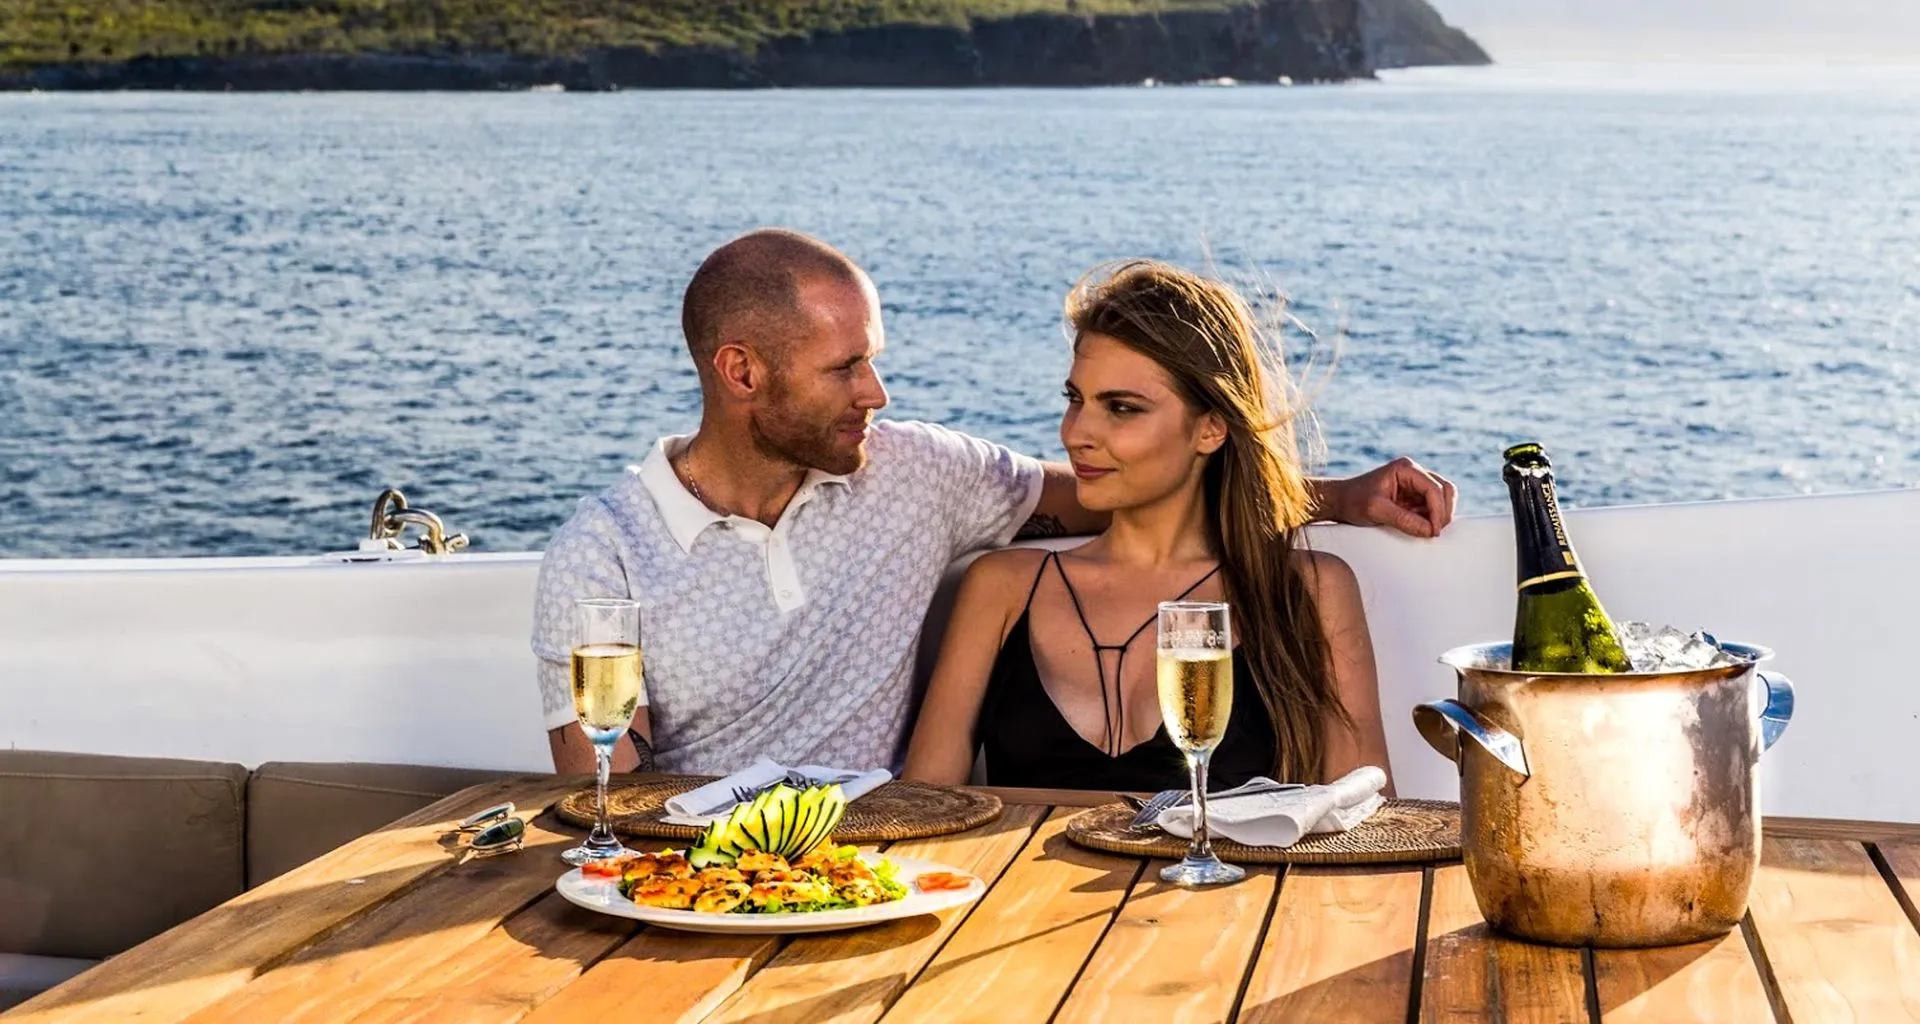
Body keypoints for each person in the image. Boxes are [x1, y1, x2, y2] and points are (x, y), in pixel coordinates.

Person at [533, 230, 1454, 776]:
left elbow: (1098, 492)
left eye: (873, 359)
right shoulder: (602, 554)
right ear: (741, 372)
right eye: (846, 368)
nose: (876, 394)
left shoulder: (916, 472)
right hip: (709, 881)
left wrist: (1340, 496)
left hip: (885, 870)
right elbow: (601, 800)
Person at [903, 260, 1394, 793]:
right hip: (1020, 855)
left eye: (1121, 408)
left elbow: (1364, 815)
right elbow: (922, 809)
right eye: (1075, 399)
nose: (1077, 433)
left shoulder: (1306, 591)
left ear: (1210, 429)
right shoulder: (1003, 588)